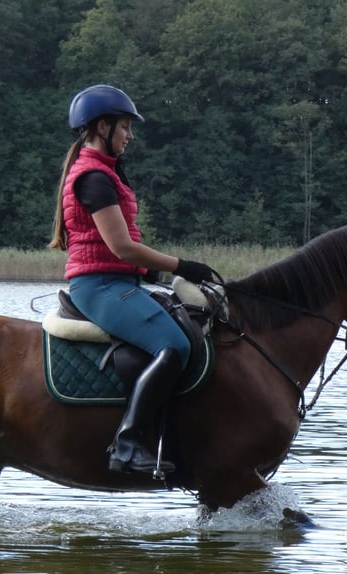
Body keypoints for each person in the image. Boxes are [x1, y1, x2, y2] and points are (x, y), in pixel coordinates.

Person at [49, 84, 214, 475]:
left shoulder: (105, 173)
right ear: (102, 127)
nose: (130, 135)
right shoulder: (93, 178)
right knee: (173, 345)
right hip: (100, 287)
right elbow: (122, 247)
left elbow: (117, 252)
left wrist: (150, 271)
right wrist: (180, 265)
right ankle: (127, 445)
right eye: (125, 126)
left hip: (118, 282)